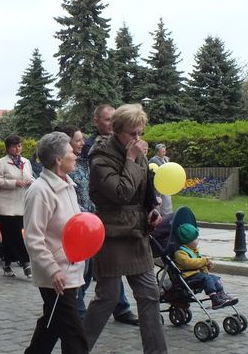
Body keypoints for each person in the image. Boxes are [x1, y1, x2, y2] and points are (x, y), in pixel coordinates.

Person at [83, 103, 167, 353]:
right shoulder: (100, 157)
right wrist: (130, 159)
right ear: (117, 131)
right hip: (112, 234)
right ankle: (78, 348)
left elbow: (142, 188)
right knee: (107, 298)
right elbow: (121, 193)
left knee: (150, 295)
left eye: (140, 133)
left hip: (136, 233)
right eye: (133, 133)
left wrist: (152, 209)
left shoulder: (137, 152)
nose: (138, 139)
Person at [23, 132, 89, 353]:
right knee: (74, 334)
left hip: (70, 269)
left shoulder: (68, 185)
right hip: (56, 276)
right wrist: (52, 269)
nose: (75, 155)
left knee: (50, 325)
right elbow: (33, 238)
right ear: (59, 159)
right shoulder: (40, 191)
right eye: (71, 151)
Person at [75, 107, 140, 325]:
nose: (111, 123)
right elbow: (115, 188)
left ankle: (121, 308)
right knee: (89, 268)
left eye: (114, 119)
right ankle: (75, 304)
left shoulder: (129, 144)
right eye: (107, 119)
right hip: (91, 214)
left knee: (111, 275)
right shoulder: (94, 148)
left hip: (114, 218)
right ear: (96, 121)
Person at [0, 135, 34, 278]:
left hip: (22, 203)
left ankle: (8, 262)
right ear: (8, 148)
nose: (18, 148)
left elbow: (31, 177)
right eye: (15, 146)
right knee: (12, 234)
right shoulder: (1, 162)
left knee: (14, 235)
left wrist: (31, 182)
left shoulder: (26, 162)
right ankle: (25, 262)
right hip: (6, 205)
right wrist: (13, 183)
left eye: (20, 145)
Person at [173, 224, 238, 309]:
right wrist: (204, 261)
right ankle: (214, 299)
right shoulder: (180, 253)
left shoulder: (193, 251)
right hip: (188, 278)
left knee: (214, 278)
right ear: (188, 241)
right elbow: (189, 263)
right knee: (207, 278)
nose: (198, 240)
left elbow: (200, 265)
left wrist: (207, 266)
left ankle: (221, 295)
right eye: (195, 238)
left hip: (197, 276)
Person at [149, 143, 173, 215]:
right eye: (162, 152)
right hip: (158, 184)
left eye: (165, 151)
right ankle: (159, 216)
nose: (164, 153)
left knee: (167, 200)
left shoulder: (166, 159)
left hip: (166, 183)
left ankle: (168, 215)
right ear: (157, 152)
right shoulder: (153, 160)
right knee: (159, 201)